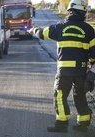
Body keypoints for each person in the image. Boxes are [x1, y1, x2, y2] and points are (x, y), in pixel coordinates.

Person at [29, 0, 94, 133]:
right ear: (83, 12)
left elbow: (42, 33)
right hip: (81, 70)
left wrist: (33, 29)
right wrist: (90, 63)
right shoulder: (89, 30)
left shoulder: (60, 27)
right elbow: (94, 52)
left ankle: (62, 124)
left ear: (70, 10)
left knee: (60, 95)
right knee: (80, 95)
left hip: (64, 71)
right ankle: (83, 124)